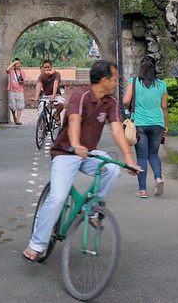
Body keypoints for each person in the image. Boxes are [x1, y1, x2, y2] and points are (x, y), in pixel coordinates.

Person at [22, 59, 140, 263]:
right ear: (104, 80)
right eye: (114, 79)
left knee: (112, 168)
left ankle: (91, 208)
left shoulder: (110, 102)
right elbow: (75, 119)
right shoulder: (81, 95)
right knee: (58, 198)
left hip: (88, 153)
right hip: (66, 152)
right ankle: (36, 244)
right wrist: (76, 144)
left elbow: (116, 127)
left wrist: (129, 158)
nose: (115, 83)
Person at [123, 55, 168, 198]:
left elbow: (125, 101)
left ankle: (142, 190)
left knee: (142, 156)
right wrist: (166, 125)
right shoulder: (162, 85)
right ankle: (158, 178)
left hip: (140, 124)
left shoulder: (134, 82)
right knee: (153, 154)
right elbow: (164, 107)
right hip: (158, 124)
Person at [35, 60, 65, 125]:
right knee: (41, 112)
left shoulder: (56, 74)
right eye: (45, 67)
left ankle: (56, 115)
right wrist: (37, 96)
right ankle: (41, 129)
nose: (47, 69)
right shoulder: (42, 76)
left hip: (56, 95)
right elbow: (39, 85)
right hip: (46, 96)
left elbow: (55, 84)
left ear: (51, 67)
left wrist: (53, 96)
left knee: (61, 104)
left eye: (48, 67)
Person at [6, 58, 26, 125]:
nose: (18, 65)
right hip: (12, 90)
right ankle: (14, 117)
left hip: (20, 90)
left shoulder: (22, 72)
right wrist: (13, 63)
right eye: (16, 64)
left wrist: (21, 82)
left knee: (20, 105)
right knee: (12, 105)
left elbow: (24, 82)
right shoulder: (11, 71)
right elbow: (7, 69)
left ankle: (18, 119)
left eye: (19, 63)